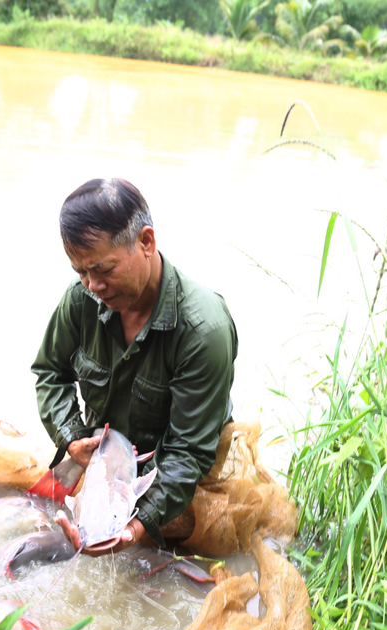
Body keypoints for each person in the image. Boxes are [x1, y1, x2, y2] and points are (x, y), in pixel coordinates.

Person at [32, 178, 238, 556]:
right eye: (81, 272)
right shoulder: (81, 301)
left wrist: (136, 526)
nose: (93, 285)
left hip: (181, 479)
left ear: (146, 242)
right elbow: (49, 373)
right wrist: (73, 437)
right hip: (108, 468)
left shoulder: (203, 330)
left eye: (103, 269)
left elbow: (187, 453)